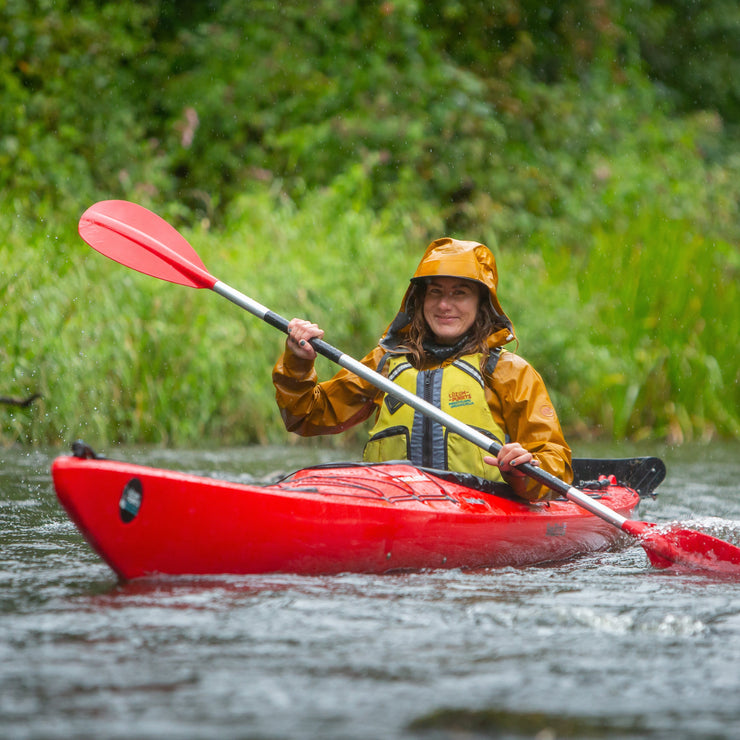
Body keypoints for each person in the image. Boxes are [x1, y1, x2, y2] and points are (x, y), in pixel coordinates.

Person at [272, 237, 572, 500]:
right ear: (419, 299)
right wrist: (298, 361)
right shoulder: (385, 362)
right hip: (396, 506)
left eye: (460, 293)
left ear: (482, 304)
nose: (444, 305)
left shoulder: (508, 371)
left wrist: (523, 469)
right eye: (436, 292)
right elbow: (305, 416)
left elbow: (555, 464)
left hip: (481, 507)